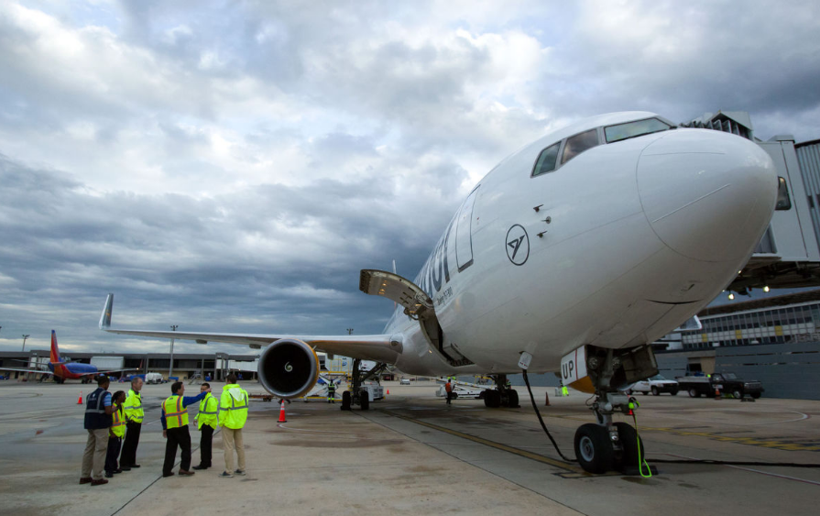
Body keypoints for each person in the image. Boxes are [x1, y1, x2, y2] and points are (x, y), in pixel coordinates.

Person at [161, 381, 207, 477]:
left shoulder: (165, 402)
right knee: (186, 448)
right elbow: (195, 398)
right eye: (182, 388)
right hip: (181, 427)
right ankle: (184, 468)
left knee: (170, 450)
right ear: (178, 390)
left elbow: (163, 417)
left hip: (170, 429)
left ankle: (166, 470)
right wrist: (205, 392)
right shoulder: (181, 400)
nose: (184, 389)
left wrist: (164, 428)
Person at [80, 375, 114, 486]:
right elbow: (108, 411)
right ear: (105, 384)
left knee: (89, 449)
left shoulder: (90, 395)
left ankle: (85, 475)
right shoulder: (106, 395)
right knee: (100, 450)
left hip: (90, 424)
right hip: (101, 425)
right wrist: (116, 408)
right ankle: (97, 476)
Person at [218, 373, 249, 478]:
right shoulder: (243, 393)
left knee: (228, 447)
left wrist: (221, 422)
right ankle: (242, 468)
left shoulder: (226, 393)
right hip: (239, 423)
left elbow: (223, 410)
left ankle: (229, 471)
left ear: (228, 381)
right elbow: (245, 408)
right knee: (240, 446)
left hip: (228, 423)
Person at [119, 376, 144, 471]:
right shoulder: (130, 395)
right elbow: (127, 409)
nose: (141, 385)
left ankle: (131, 461)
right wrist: (130, 420)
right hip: (132, 423)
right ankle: (124, 463)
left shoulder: (137, 394)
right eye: (140, 383)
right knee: (128, 443)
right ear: (134, 384)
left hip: (137, 422)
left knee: (134, 443)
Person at [192, 383, 218, 470]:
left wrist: (206, 423)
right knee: (207, 443)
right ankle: (208, 462)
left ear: (209, 389)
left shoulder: (210, 399)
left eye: (204, 389)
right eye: (201, 389)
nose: (202, 391)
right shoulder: (203, 399)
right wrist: (196, 417)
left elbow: (213, 414)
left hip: (208, 424)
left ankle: (204, 463)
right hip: (205, 423)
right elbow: (202, 411)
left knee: (204, 444)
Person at [105, 391, 126, 478]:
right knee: (111, 453)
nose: (125, 398)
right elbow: (109, 421)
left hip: (120, 433)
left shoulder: (122, 407)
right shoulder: (112, 407)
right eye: (123, 396)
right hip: (113, 434)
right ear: (118, 397)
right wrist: (111, 432)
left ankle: (114, 467)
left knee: (116, 452)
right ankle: (108, 470)